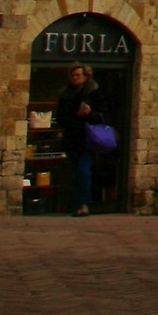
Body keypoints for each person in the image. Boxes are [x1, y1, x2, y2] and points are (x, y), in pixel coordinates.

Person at [55, 63, 102, 217]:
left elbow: (101, 116)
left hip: (88, 139)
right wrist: (76, 115)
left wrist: (89, 113)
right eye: (73, 75)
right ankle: (79, 205)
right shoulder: (65, 94)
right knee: (76, 173)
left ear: (86, 77)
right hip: (72, 138)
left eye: (78, 75)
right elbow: (61, 118)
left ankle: (83, 205)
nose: (75, 78)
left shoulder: (94, 93)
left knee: (84, 172)